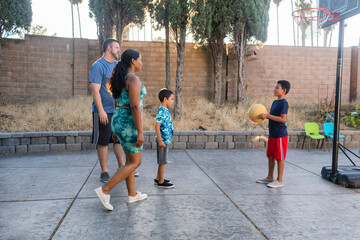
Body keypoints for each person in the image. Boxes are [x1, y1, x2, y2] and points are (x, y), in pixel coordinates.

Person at [95, 49, 147, 210]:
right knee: (135, 162)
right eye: (140, 59)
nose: (141, 63)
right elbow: (135, 107)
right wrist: (140, 131)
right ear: (133, 61)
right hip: (129, 124)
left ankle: (132, 194)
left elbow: (117, 101)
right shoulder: (133, 79)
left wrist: (116, 130)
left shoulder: (120, 77)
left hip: (118, 121)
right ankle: (105, 190)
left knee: (130, 160)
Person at [89, 39, 126, 183]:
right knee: (103, 141)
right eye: (117, 47)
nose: (119, 50)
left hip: (117, 110)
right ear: (109, 48)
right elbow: (95, 91)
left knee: (118, 140)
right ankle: (104, 171)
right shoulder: (98, 66)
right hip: (103, 111)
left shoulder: (118, 65)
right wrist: (101, 110)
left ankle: (122, 167)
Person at [256, 80, 291, 188]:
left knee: (279, 158)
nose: (274, 89)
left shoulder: (284, 103)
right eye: (275, 87)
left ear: (284, 90)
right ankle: (270, 177)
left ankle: (279, 180)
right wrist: (261, 117)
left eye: (277, 88)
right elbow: (271, 117)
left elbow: (282, 119)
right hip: (272, 135)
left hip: (280, 135)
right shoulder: (275, 102)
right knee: (270, 156)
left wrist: (268, 116)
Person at [154, 88, 175, 189]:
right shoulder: (162, 111)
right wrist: (160, 140)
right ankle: (161, 181)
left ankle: (158, 178)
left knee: (162, 160)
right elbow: (157, 126)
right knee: (163, 161)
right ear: (165, 99)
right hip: (163, 141)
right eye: (171, 99)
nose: (172, 101)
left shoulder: (165, 110)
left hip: (165, 140)